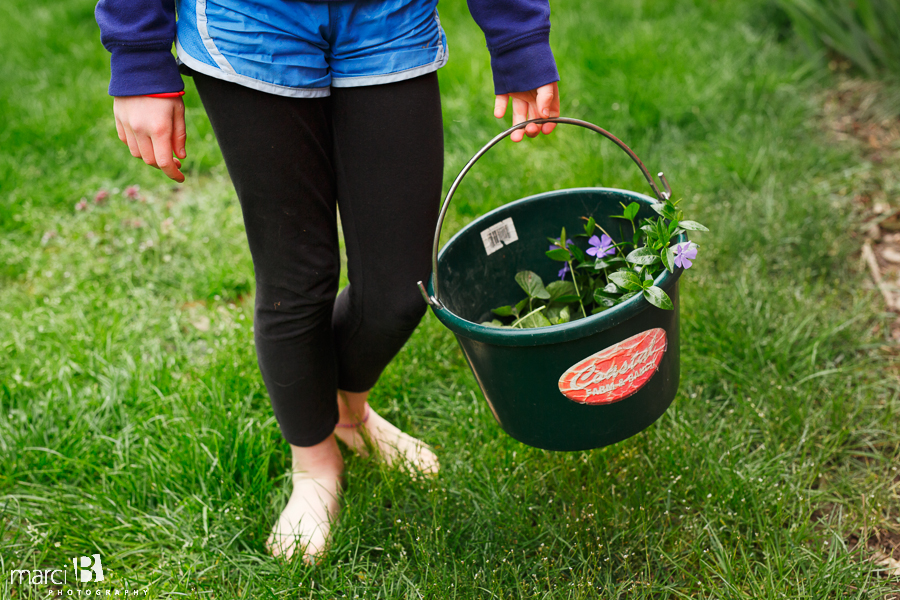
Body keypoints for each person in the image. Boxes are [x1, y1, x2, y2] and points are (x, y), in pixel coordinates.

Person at [95, 0, 560, 562]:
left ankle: (348, 413)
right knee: (298, 278)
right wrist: (139, 54)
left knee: (401, 288)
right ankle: (314, 463)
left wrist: (518, 36)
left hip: (389, 17)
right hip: (250, 22)